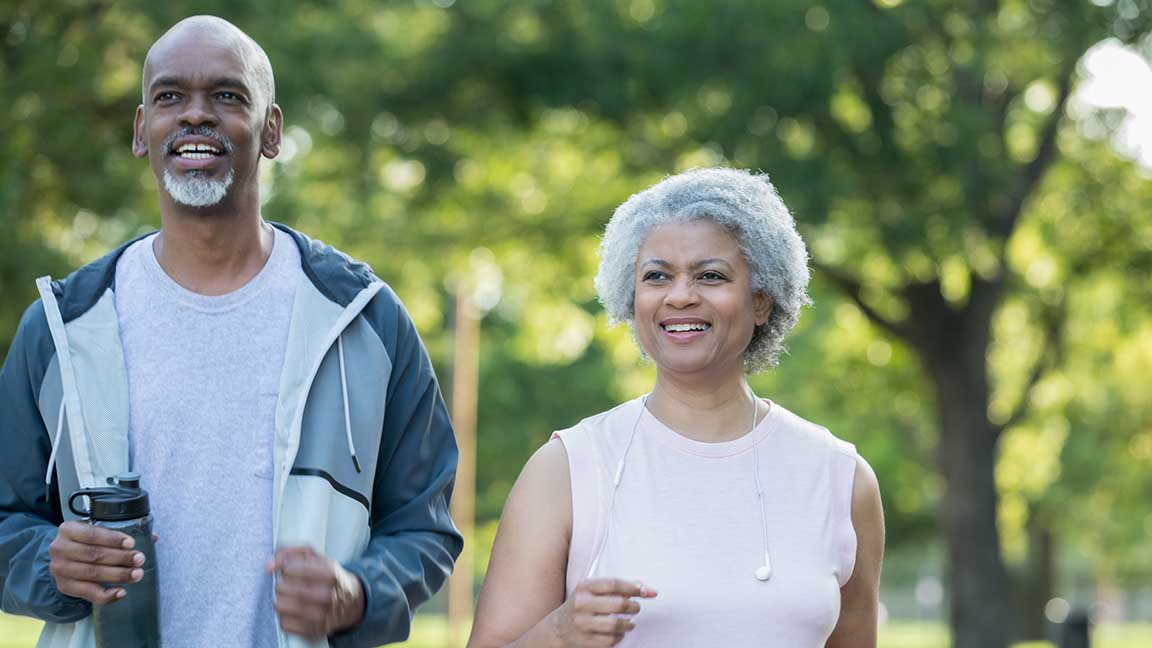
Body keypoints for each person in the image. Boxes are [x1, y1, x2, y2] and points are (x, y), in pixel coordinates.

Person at [0, 15, 461, 648]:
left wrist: (356, 594)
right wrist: (48, 561)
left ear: (271, 130)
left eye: (227, 95)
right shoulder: (62, 328)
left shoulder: (366, 321)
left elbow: (425, 528)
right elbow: (5, 520)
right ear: (142, 131)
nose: (195, 115)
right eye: (170, 97)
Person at [468, 168, 885, 647]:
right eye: (657, 276)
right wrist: (559, 634)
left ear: (763, 301)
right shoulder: (567, 468)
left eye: (711, 276)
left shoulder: (841, 478)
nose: (680, 295)